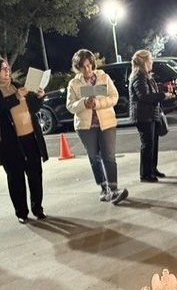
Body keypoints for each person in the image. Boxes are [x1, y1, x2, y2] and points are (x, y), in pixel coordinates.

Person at [0, 57, 49, 223]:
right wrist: (15, 97)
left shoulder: (16, 85)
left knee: (35, 175)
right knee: (15, 179)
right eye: (3, 69)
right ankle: (21, 212)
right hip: (11, 141)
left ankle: (37, 207)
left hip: (30, 137)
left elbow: (32, 107)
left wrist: (39, 97)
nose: (7, 72)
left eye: (7, 68)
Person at [65, 49, 128, 204]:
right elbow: (70, 106)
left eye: (89, 65)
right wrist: (84, 103)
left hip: (106, 122)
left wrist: (98, 103)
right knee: (94, 157)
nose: (87, 69)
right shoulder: (74, 83)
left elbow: (114, 97)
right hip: (85, 127)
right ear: (77, 68)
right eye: (83, 67)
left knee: (109, 155)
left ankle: (114, 189)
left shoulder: (103, 77)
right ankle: (103, 187)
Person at [129, 49, 166, 182]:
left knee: (153, 143)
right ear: (144, 62)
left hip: (151, 115)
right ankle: (145, 174)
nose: (152, 62)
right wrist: (162, 95)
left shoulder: (146, 76)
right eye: (150, 59)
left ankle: (152, 169)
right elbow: (144, 96)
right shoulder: (138, 77)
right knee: (147, 145)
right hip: (144, 117)